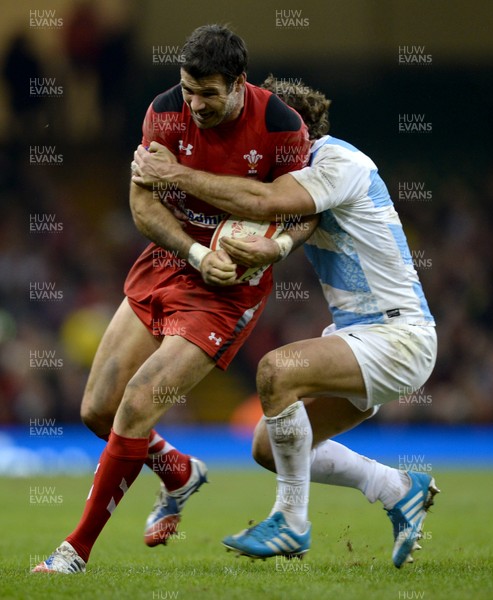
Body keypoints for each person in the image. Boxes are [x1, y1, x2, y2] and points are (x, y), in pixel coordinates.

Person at [131, 75, 439, 569]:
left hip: (398, 335)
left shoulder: (337, 161)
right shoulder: (305, 177)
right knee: (269, 445)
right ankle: (396, 487)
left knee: (277, 372)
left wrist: (177, 172)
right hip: (359, 337)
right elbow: (277, 220)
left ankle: (291, 523)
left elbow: (262, 203)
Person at [32, 28, 310, 574]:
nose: (195, 104)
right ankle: (178, 472)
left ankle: (75, 550)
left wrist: (274, 246)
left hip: (229, 289)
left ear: (238, 84)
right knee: (97, 411)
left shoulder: (281, 127)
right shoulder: (164, 112)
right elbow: (142, 205)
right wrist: (193, 250)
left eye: (208, 93)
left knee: (137, 402)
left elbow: (302, 210)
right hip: (169, 263)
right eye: (188, 90)